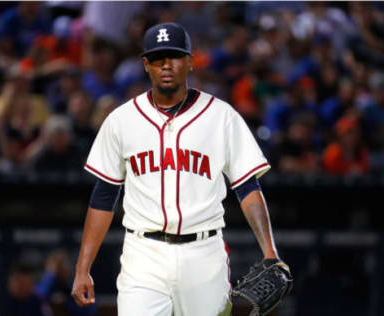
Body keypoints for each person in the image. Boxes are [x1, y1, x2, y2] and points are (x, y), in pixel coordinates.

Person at [71, 22, 288, 316]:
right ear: (146, 65)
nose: (166, 65)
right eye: (158, 58)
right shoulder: (121, 121)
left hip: (204, 252)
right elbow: (104, 196)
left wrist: (270, 251)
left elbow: (248, 187)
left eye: (174, 56)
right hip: (143, 254)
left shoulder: (221, 116)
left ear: (190, 61)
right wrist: (83, 268)